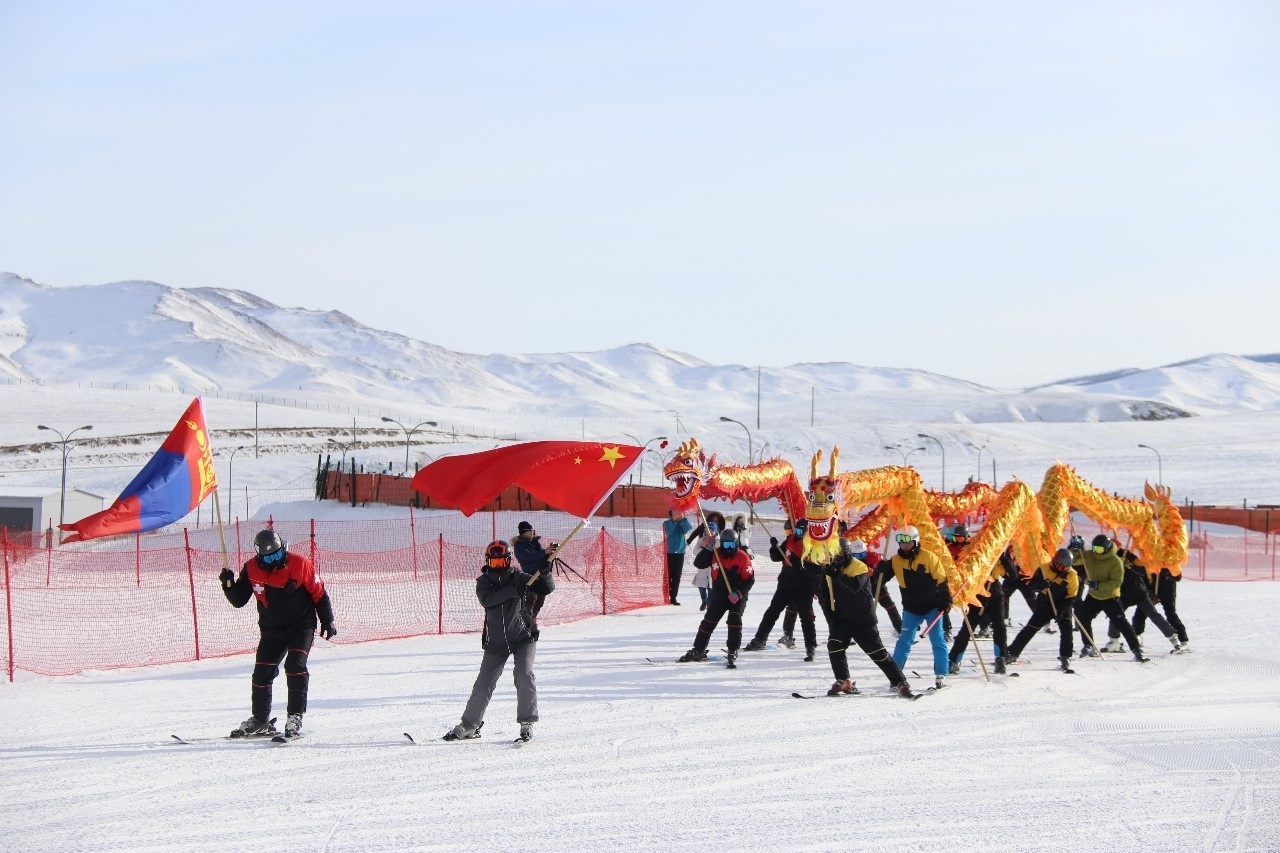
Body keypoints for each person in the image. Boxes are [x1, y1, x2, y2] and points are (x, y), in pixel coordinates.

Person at [219, 529, 337, 739]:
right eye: (267, 558)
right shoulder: (252, 568)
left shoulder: (299, 564)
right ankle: (260, 720)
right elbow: (239, 601)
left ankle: (295, 717)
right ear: (259, 556)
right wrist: (228, 584)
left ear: (283, 548)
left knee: (295, 666)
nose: (272, 561)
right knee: (261, 673)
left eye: (276, 555)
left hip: (301, 626)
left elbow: (319, 594)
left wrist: (328, 620)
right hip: (272, 629)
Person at [443, 539, 554, 743]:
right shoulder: (483, 582)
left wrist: (545, 571)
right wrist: (513, 592)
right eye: (493, 563)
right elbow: (488, 600)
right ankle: (469, 725)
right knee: (483, 683)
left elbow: (545, 588)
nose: (498, 566)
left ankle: (526, 722)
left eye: (501, 562)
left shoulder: (519, 577)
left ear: (509, 561)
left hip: (523, 638)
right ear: (488, 562)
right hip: (496, 643)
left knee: (524, 674)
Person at [817, 537, 916, 697]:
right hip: (842, 619)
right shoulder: (829, 569)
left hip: (862, 619)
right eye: (833, 553)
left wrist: (835, 575)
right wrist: (831, 617)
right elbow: (825, 595)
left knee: (877, 652)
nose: (837, 557)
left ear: (848, 552)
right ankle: (843, 680)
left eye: (840, 553)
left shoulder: (859, 567)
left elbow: (853, 589)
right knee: (834, 645)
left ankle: (900, 681)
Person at [887, 526, 953, 690]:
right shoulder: (895, 560)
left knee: (937, 639)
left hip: (932, 607)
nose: (904, 546)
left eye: (907, 542)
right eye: (901, 542)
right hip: (911, 608)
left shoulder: (929, 557)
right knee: (904, 641)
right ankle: (896, 676)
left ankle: (941, 674)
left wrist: (946, 599)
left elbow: (941, 580)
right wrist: (879, 572)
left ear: (915, 541)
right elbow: (880, 577)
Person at [678, 529, 755, 668]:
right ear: (722, 544)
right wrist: (707, 548)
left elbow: (749, 579)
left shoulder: (743, 557)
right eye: (726, 545)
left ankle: (733, 649)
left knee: (734, 619)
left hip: (737, 596)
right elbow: (699, 564)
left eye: (732, 545)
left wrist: (738, 593)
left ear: (736, 543)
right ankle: (698, 649)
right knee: (708, 621)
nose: (729, 548)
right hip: (720, 595)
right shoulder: (715, 553)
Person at [743, 518, 818, 660]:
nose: (797, 533)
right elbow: (777, 557)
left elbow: (818, 569)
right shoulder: (790, 541)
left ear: (808, 533)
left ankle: (810, 646)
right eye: (796, 530)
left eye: (801, 531)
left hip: (804, 587)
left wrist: (802, 567)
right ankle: (760, 639)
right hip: (786, 585)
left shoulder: (813, 547)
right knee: (772, 612)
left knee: (806, 618)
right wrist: (774, 548)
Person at [1003, 548, 1079, 673]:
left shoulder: (1072, 575)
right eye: (1058, 566)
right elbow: (1032, 585)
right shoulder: (1044, 568)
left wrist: (1062, 610)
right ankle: (1012, 652)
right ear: (1054, 561)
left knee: (1066, 631)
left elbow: (1071, 596)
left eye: (1064, 568)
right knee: (1030, 628)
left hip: (1062, 604)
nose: (1061, 569)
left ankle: (1066, 656)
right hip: (1045, 603)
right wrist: (1041, 585)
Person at [1076, 535, 1149, 663]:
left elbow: (1116, 582)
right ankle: (1088, 645)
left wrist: (1098, 585)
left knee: (1121, 623)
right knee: (1083, 619)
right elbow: (1074, 559)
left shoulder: (1115, 561)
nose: (1096, 552)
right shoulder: (1090, 555)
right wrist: (1074, 549)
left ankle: (1136, 649)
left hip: (1110, 597)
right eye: (1094, 548)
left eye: (1099, 549)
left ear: (1107, 548)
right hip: (1093, 596)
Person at [947, 539, 1014, 675]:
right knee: (967, 630)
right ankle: (953, 660)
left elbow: (1013, 575)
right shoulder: (975, 556)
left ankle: (1000, 658)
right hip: (977, 598)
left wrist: (1003, 558)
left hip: (995, 596)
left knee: (1000, 627)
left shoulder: (998, 559)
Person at [1102, 549, 1184, 654]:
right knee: (1115, 615)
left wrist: (1129, 565)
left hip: (1138, 592)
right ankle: (1114, 642)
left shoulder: (1127, 555)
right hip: (1123, 594)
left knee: (1154, 615)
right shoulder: (1103, 561)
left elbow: (1142, 571)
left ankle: (1175, 640)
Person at [1134, 561, 1190, 651]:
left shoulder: (1171, 559)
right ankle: (1137, 636)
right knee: (1141, 611)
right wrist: (1150, 593)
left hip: (1167, 591)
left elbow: (1177, 577)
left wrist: (1168, 571)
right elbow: (1143, 577)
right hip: (1151, 589)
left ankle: (1183, 640)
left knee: (1171, 614)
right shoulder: (1149, 558)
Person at [512, 520, 555, 619]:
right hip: (530, 576)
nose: (532, 532)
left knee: (540, 600)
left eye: (532, 530)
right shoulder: (519, 546)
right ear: (523, 532)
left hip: (541, 574)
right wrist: (545, 552)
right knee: (531, 599)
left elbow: (542, 555)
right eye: (529, 531)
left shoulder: (535, 543)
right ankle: (527, 620)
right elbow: (528, 556)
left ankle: (533, 618)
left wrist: (550, 554)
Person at [686, 511, 726, 611]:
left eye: (711, 531)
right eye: (708, 531)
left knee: (711, 588)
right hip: (703, 567)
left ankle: (709, 604)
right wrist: (703, 547)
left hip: (713, 567)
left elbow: (720, 552)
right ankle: (704, 599)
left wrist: (713, 546)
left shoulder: (718, 541)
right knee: (701, 587)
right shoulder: (701, 540)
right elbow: (695, 552)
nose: (709, 533)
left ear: (715, 531)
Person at [662, 509, 694, 606]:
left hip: (680, 552)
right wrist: (673, 520)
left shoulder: (682, 522)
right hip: (669, 552)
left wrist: (683, 519)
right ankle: (666, 596)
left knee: (677, 576)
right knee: (668, 575)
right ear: (671, 513)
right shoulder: (667, 523)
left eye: (679, 511)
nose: (677, 513)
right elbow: (669, 531)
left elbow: (688, 528)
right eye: (675, 512)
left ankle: (674, 597)